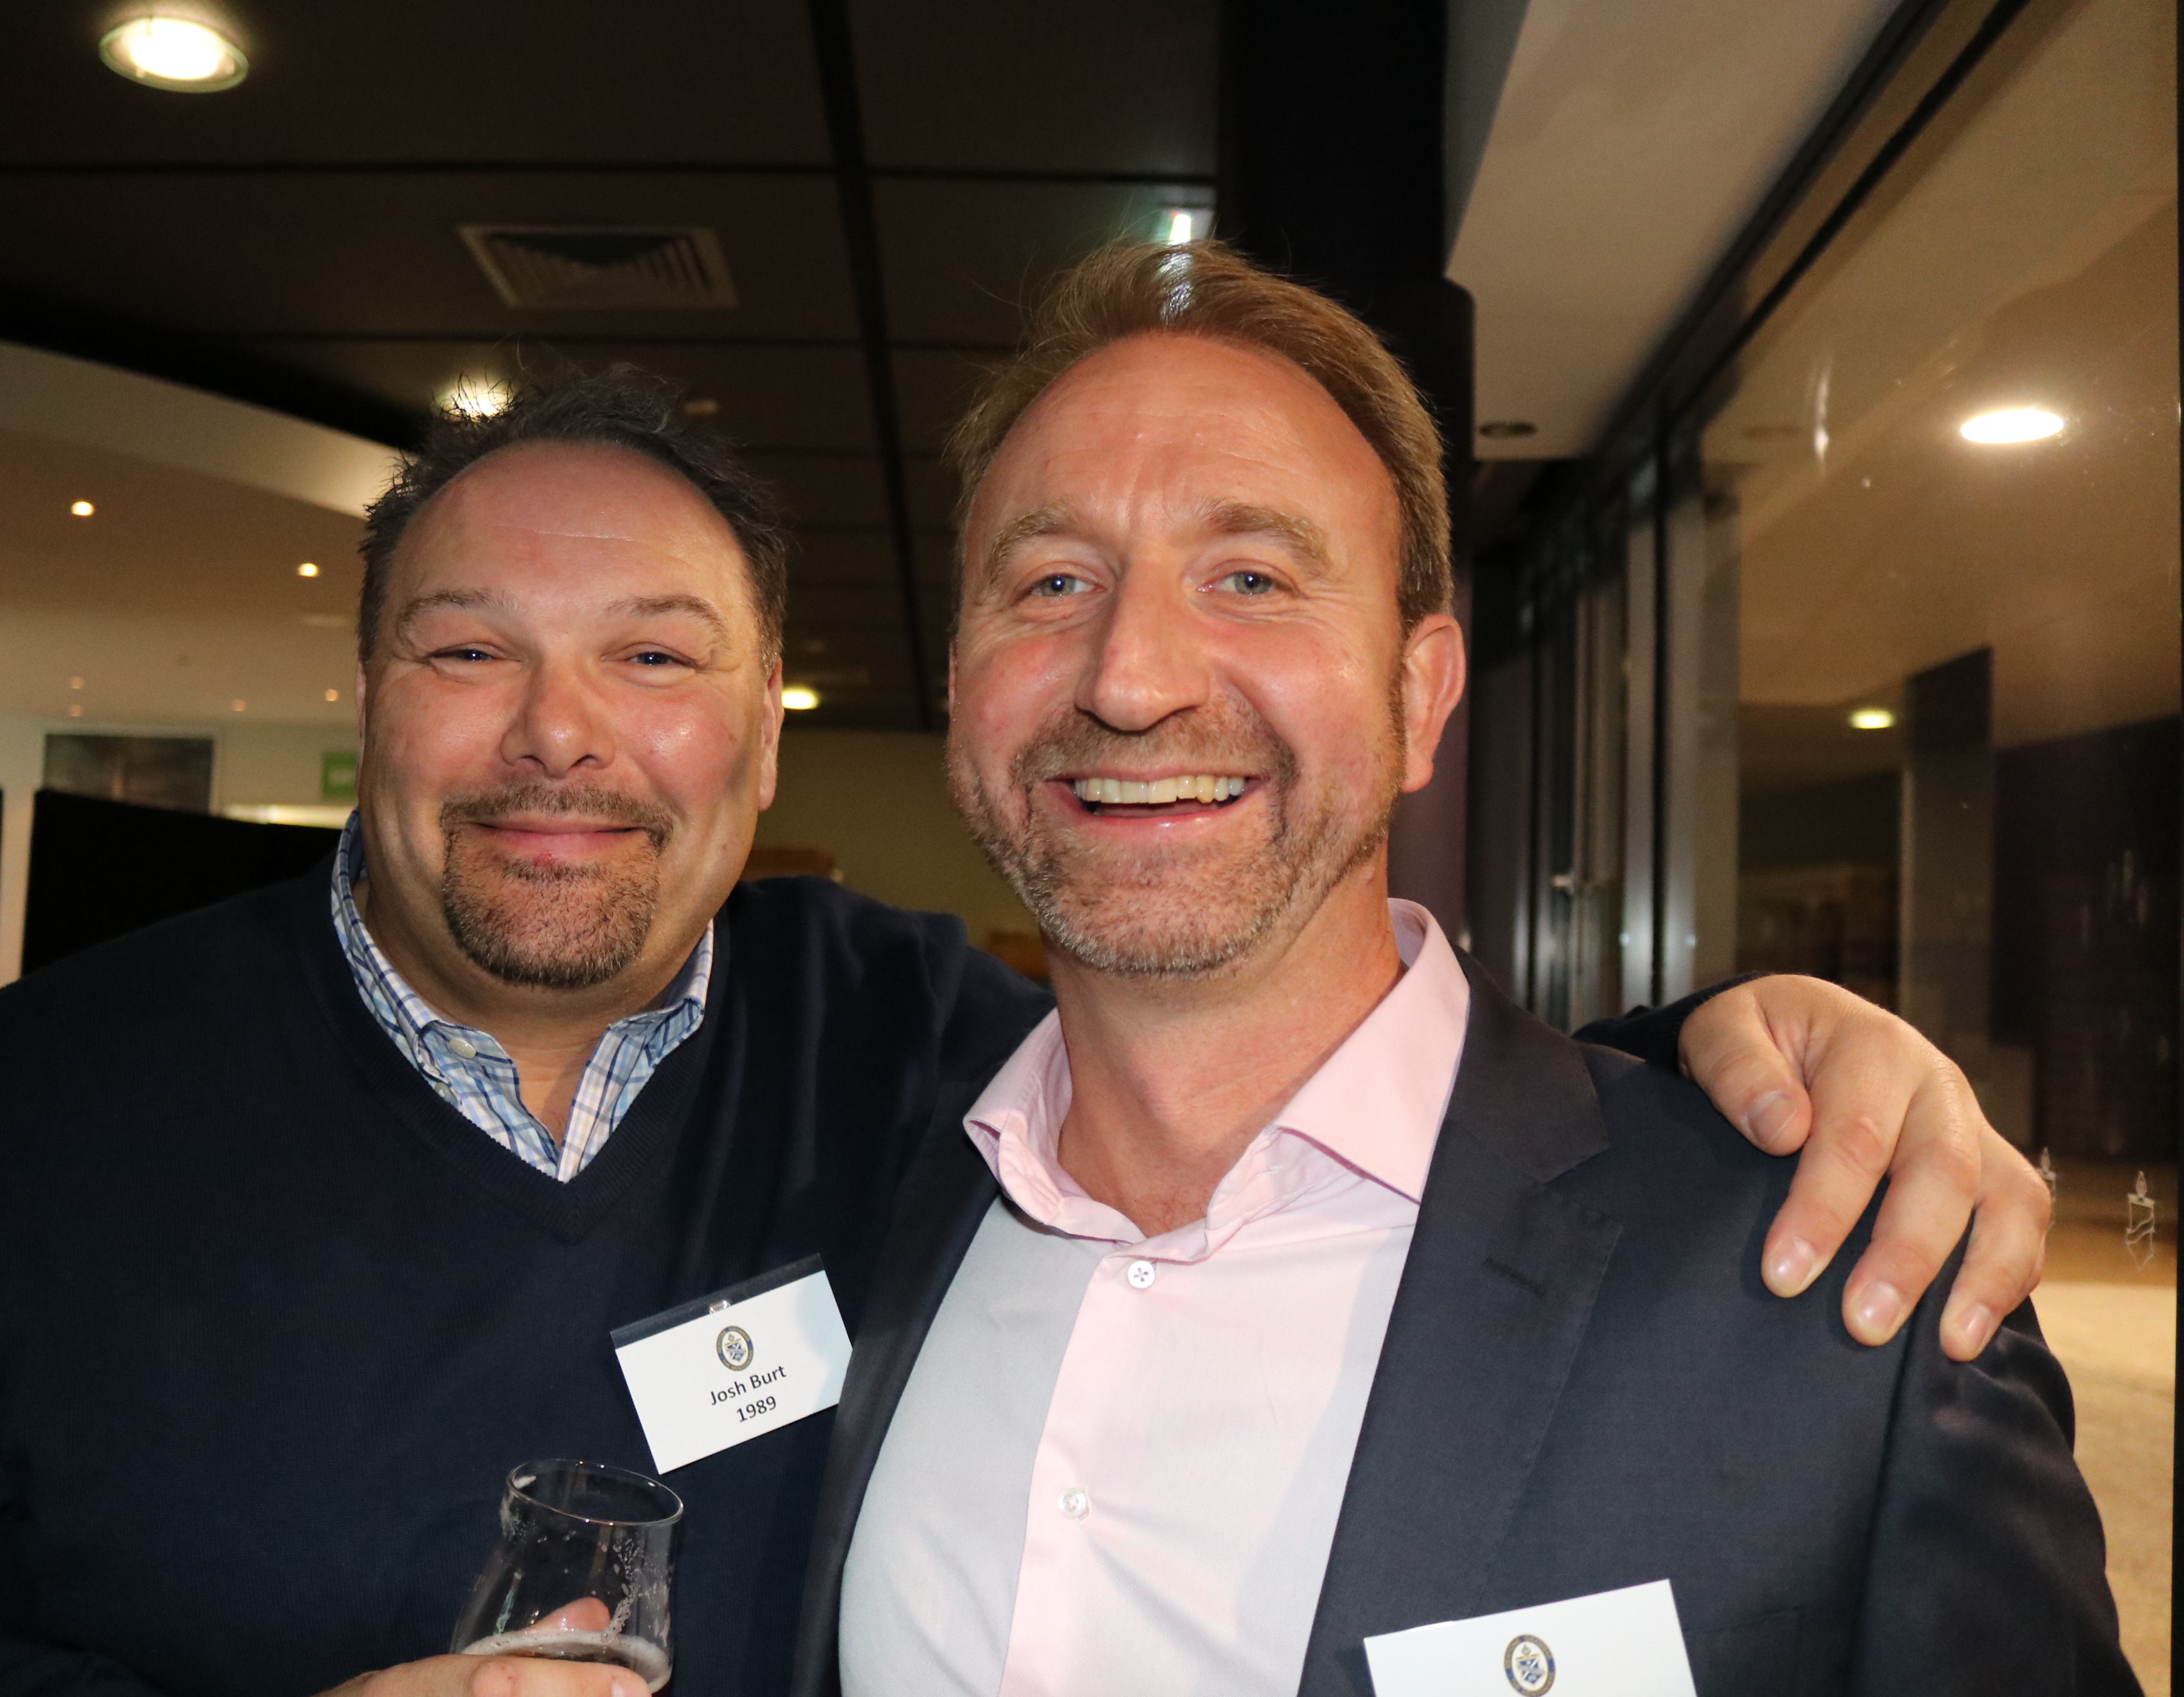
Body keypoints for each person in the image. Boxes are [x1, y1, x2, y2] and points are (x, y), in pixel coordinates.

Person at [0, 364, 2050, 1697]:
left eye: (656, 655)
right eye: (470, 650)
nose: (559, 735)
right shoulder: (21, 1111)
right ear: (366, 692)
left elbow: (1285, 1047)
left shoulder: (904, 1050)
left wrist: (1738, 1045)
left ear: (766, 728)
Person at [803, 243, 2130, 1697]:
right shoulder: (863, 1208)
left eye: (1251, 577)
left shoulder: (1850, 1288)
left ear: (1420, 692)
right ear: (961, 690)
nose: (1131, 678)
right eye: (1054, 580)